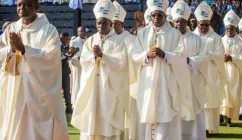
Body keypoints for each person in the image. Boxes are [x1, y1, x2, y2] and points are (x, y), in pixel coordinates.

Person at [0, 0, 69, 139]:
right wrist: (11, 49)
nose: (22, 8)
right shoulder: (11, 29)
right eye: (19, 4)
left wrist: (25, 49)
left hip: (38, 91)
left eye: (27, 4)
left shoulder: (48, 30)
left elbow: (51, 56)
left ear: (37, 6)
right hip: (15, 88)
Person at [130, 0, 193, 139]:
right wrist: (146, 55)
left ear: (165, 15)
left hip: (167, 82)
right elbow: (133, 55)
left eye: (160, 15)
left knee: (166, 117)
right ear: (150, 16)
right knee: (149, 115)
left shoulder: (175, 34)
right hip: (148, 81)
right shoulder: (142, 34)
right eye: (154, 15)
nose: (156, 18)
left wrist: (165, 55)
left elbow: (182, 56)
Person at [71, 0, 129, 139]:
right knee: (91, 120)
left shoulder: (118, 41)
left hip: (109, 89)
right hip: (93, 88)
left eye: (104, 23)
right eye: (98, 23)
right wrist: (94, 57)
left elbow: (121, 63)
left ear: (110, 24)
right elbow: (84, 60)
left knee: (108, 125)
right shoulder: (91, 40)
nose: (101, 26)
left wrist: (103, 56)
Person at [172, 0, 207, 139]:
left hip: (192, 83)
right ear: (173, 22)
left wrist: (189, 61)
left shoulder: (196, 39)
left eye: (182, 21)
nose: (179, 24)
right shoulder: (169, 38)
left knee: (194, 110)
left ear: (186, 21)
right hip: (174, 83)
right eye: (177, 21)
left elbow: (204, 56)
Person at [193, 1, 226, 134]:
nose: (204, 27)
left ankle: (208, 127)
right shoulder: (192, 37)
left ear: (210, 24)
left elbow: (221, 55)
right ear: (197, 24)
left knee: (210, 102)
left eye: (206, 25)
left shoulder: (216, 38)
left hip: (211, 73)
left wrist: (207, 55)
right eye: (201, 25)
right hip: (195, 73)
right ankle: (197, 128)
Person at [112, 2, 137, 139]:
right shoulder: (108, 39)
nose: (114, 26)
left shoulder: (131, 40)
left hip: (127, 81)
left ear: (122, 24)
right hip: (112, 83)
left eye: (117, 23)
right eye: (112, 23)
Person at [221, 9, 242, 127]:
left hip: (234, 74)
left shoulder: (241, 43)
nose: (229, 30)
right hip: (222, 71)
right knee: (221, 95)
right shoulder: (220, 40)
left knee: (231, 95)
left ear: (235, 29)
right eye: (227, 28)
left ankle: (228, 119)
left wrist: (232, 58)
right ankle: (220, 116)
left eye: (231, 28)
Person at [69, 26, 86, 105]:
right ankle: (75, 102)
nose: (82, 32)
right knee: (77, 82)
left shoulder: (88, 40)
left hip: (85, 64)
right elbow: (71, 55)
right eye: (80, 31)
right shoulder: (74, 41)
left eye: (83, 31)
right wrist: (78, 57)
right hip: (77, 64)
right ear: (78, 32)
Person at [60, 32, 74, 113]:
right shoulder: (57, 46)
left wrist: (71, 55)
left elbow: (68, 59)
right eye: (65, 39)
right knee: (57, 90)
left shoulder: (68, 47)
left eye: (68, 39)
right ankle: (58, 107)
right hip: (57, 71)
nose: (67, 40)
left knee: (67, 90)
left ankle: (69, 107)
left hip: (65, 71)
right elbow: (58, 57)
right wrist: (66, 54)